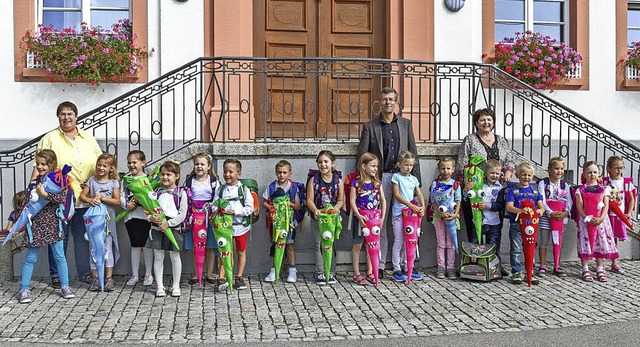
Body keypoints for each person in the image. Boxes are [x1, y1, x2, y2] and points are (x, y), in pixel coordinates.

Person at [35, 101, 103, 284]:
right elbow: (40, 166)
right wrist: (34, 190)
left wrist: (94, 180)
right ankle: (56, 275)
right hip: (60, 200)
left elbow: (101, 162)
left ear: (76, 116)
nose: (67, 117)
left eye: (70, 113)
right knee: (59, 237)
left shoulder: (88, 138)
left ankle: (85, 273)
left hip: (85, 198)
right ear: (58, 117)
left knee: (82, 238)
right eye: (63, 114)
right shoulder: (50, 139)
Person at [357, 87, 421, 279]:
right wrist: (362, 181)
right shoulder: (370, 126)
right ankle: (381, 264)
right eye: (384, 99)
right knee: (381, 221)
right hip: (380, 178)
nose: (387, 102)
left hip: (403, 179)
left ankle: (404, 262)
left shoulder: (406, 124)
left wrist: (417, 183)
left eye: (391, 99)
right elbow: (362, 155)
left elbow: (413, 152)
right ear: (380, 102)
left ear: (396, 102)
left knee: (407, 221)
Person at [18, 149, 75, 303]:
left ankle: (65, 286)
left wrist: (45, 195)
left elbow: (61, 198)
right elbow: (26, 204)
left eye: (44, 164)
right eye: (38, 164)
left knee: (59, 256)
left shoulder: (59, 182)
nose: (40, 167)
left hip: (53, 224)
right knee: (30, 258)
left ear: (52, 165)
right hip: (36, 226)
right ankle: (24, 288)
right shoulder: (34, 184)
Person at [457, 108, 515, 243]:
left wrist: (508, 172)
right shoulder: (470, 140)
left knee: (495, 226)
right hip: (476, 188)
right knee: (474, 224)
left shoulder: (501, 140)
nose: (486, 122)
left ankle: (493, 257)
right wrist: (466, 182)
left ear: (493, 122)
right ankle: (475, 257)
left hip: (496, 188)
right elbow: (462, 162)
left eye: (489, 119)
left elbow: (510, 159)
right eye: (482, 120)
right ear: (476, 123)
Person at [79, 153, 121, 292]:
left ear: (111, 168)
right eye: (99, 165)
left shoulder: (113, 183)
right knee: (93, 248)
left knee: (107, 248)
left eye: (105, 166)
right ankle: (96, 278)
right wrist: (91, 200)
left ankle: (108, 278)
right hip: (94, 219)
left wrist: (103, 198)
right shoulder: (92, 180)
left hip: (108, 219)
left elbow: (116, 201)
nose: (101, 168)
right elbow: (82, 196)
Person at [212, 159, 254, 291]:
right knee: (224, 252)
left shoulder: (243, 189)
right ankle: (221, 277)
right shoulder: (221, 189)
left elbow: (250, 208)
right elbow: (214, 204)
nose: (227, 175)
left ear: (238, 174)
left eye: (231, 172)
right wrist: (218, 210)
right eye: (225, 172)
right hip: (224, 228)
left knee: (241, 251)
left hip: (240, 227)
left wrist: (235, 212)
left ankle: (239, 277)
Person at [146, 161, 187, 297]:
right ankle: (160, 286)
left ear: (176, 176)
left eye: (168, 174)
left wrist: (169, 224)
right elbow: (148, 210)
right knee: (158, 256)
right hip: (157, 229)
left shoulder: (181, 193)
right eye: (162, 174)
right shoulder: (156, 192)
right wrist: (151, 218)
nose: (164, 177)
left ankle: (176, 285)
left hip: (173, 229)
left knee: (175, 256)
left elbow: (182, 213)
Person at [575, 161, 619, 283]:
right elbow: (580, 207)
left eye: (595, 172)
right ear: (584, 174)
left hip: (600, 221)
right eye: (589, 172)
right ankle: (585, 268)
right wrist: (587, 218)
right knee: (586, 242)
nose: (592, 175)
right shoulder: (581, 190)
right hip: (586, 220)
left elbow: (606, 206)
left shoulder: (604, 189)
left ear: (599, 173)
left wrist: (601, 218)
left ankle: (600, 268)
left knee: (599, 242)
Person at [306, 150, 344, 285]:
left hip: (332, 219)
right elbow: (309, 199)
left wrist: (336, 209)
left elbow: (340, 200)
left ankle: (331, 271)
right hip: (318, 218)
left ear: (332, 163)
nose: (323, 165)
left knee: (331, 243)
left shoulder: (338, 180)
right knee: (319, 245)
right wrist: (315, 210)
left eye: (326, 162)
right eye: (320, 162)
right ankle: (320, 272)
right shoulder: (313, 180)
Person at [505, 162, 545, 285]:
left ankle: (530, 271)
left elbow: (541, 207)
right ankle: (516, 271)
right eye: (523, 174)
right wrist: (521, 211)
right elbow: (509, 207)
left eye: (529, 175)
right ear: (517, 175)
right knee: (516, 249)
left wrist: (540, 211)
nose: (526, 177)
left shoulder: (535, 191)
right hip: (517, 224)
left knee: (530, 249)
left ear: (532, 176)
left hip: (531, 225)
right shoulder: (513, 191)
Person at [263, 160, 303, 283]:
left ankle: (292, 270)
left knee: (290, 245)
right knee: (276, 245)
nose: (282, 175)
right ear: (276, 173)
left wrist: (287, 204)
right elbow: (264, 202)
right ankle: (275, 270)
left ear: (289, 173)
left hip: (289, 222)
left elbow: (298, 206)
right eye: (279, 172)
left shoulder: (294, 188)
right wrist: (270, 207)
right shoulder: (271, 187)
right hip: (276, 223)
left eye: (284, 172)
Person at [349, 152, 386, 285]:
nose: (376, 169)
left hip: (374, 220)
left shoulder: (377, 183)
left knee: (372, 245)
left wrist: (382, 218)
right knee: (358, 245)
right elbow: (352, 200)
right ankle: (356, 273)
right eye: (373, 166)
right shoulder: (357, 182)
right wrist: (358, 216)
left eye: (377, 166)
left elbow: (383, 200)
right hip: (361, 219)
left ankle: (370, 271)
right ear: (364, 166)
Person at [183, 152, 220, 285]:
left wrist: (210, 206)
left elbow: (217, 199)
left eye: (202, 164)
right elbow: (185, 196)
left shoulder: (214, 182)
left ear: (209, 166)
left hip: (208, 216)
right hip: (194, 216)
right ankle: (195, 273)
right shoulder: (189, 181)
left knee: (209, 246)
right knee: (196, 245)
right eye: (197, 164)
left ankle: (209, 273)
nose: (199, 167)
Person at [121, 150, 155, 287]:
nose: (131, 165)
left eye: (134, 162)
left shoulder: (148, 179)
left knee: (147, 246)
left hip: (146, 216)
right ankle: (134, 274)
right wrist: (126, 205)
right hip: (131, 216)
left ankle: (148, 273)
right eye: (129, 162)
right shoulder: (126, 180)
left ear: (143, 163)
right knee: (135, 245)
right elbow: (122, 195)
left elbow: (153, 195)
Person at [391, 151, 425, 282]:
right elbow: (397, 195)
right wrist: (410, 205)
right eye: (406, 165)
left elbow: (419, 193)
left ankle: (408, 265)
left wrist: (422, 206)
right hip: (400, 213)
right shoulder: (396, 177)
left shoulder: (414, 179)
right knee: (398, 241)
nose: (408, 167)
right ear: (399, 164)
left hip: (411, 215)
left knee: (409, 241)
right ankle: (396, 268)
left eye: (411, 165)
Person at [536, 157, 573, 277]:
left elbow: (569, 201)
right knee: (544, 241)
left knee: (557, 241)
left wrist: (565, 212)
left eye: (562, 169)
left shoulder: (565, 185)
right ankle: (542, 265)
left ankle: (557, 265)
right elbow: (541, 199)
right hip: (547, 218)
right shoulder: (543, 183)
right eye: (556, 168)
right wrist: (549, 212)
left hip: (559, 218)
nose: (559, 171)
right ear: (549, 170)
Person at [603, 155, 636, 274]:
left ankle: (614, 262)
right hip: (607, 214)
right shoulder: (605, 181)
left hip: (619, 214)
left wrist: (629, 212)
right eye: (616, 168)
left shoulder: (626, 183)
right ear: (609, 168)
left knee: (615, 238)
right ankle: (601, 261)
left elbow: (632, 198)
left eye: (621, 168)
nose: (619, 170)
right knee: (606, 236)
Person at [429, 157, 460, 280]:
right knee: (441, 243)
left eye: (448, 168)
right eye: (443, 168)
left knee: (451, 243)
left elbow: (458, 201)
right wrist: (440, 213)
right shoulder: (435, 184)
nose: (445, 171)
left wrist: (455, 214)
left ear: (453, 169)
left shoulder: (455, 184)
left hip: (452, 217)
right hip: (439, 217)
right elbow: (433, 201)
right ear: (439, 169)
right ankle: (441, 267)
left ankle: (451, 267)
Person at [475, 159, 506, 270]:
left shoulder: (501, 188)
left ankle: (495, 268)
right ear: (485, 172)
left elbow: (500, 205)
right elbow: (471, 197)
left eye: (497, 173)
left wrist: (488, 206)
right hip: (479, 221)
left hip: (493, 222)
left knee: (493, 246)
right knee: (476, 246)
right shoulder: (479, 184)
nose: (494, 175)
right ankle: (477, 267)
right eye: (492, 173)